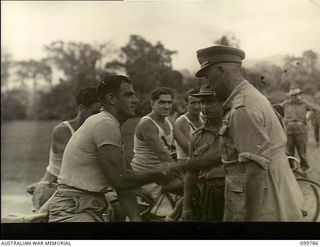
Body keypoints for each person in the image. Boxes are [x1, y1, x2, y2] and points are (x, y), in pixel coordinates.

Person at [180, 45, 303, 221]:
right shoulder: (250, 97)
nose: (206, 84)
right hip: (270, 192)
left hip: (262, 201)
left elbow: (255, 172)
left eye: (207, 76)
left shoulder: (242, 108)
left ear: (221, 70)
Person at [47, 75, 177, 222]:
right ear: (111, 99)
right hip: (74, 209)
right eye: (128, 95)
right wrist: (158, 174)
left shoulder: (110, 124)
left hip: (87, 205)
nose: (136, 100)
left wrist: (135, 219)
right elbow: (119, 180)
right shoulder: (105, 124)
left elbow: (123, 179)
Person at [27, 86, 101, 212]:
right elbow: (76, 163)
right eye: (94, 113)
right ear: (82, 108)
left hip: (78, 186)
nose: (98, 118)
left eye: (101, 114)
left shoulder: (98, 128)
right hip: (53, 183)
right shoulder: (63, 130)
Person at [182, 83, 225, 222]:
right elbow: (191, 173)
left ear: (223, 103)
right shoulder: (197, 136)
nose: (205, 107)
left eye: (210, 102)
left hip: (233, 189)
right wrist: (186, 206)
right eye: (203, 102)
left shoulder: (234, 130)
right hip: (208, 191)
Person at [131, 87, 178, 201]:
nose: (166, 106)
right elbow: (162, 153)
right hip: (144, 177)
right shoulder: (147, 124)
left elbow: (185, 144)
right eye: (161, 102)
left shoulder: (169, 120)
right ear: (152, 103)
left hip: (160, 174)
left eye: (169, 102)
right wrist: (181, 172)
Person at [279, 86, 319, 172]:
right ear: (290, 96)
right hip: (289, 131)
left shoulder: (304, 103)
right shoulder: (286, 104)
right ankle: (291, 170)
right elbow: (276, 110)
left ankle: (304, 170)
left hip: (301, 131)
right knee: (289, 152)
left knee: (302, 152)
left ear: (299, 95)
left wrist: (309, 116)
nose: (295, 97)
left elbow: (316, 109)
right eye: (293, 95)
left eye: (296, 95)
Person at [174, 89, 202, 165]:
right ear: (186, 105)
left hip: (201, 163)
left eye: (199, 102)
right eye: (193, 103)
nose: (197, 106)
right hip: (186, 165)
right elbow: (189, 150)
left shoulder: (203, 118)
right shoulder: (181, 121)